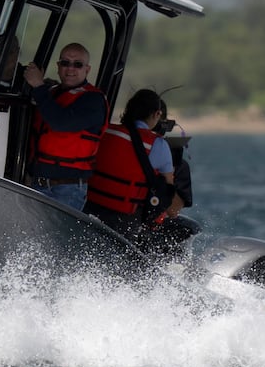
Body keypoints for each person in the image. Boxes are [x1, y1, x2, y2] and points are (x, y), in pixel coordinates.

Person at [86, 88, 192, 245]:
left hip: (89, 207)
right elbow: (170, 203)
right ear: (157, 115)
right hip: (125, 219)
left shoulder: (106, 131)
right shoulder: (160, 146)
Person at [19, 41, 106, 212]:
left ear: (87, 70)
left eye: (77, 64)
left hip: (66, 191)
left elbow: (61, 123)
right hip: (36, 183)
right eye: (65, 63)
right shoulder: (50, 93)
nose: (70, 68)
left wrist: (38, 86)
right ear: (58, 66)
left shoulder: (94, 100)